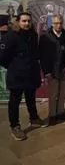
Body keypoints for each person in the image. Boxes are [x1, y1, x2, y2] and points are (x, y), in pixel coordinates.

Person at [0, 13, 47, 141]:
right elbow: (2, 57)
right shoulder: (11, 36)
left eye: (29, 21)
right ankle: (15, 126)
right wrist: (14, 66)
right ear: (18, 22)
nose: (26, 23)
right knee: (14, 102)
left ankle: (34, 119)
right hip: (17, 75)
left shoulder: (33, 35)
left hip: (31, 73)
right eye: (24, 21)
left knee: (31, 98)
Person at [39, 14, 65, 125]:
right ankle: (52, 115)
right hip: (52, 71)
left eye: (60, 23)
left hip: (64, 69)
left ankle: (60, 112)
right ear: (51, 24)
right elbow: (42, 57)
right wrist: (46, 72)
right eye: (56, 23)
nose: (58, 25)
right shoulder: (45, 37)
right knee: (53, 94)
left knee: (63, 93)